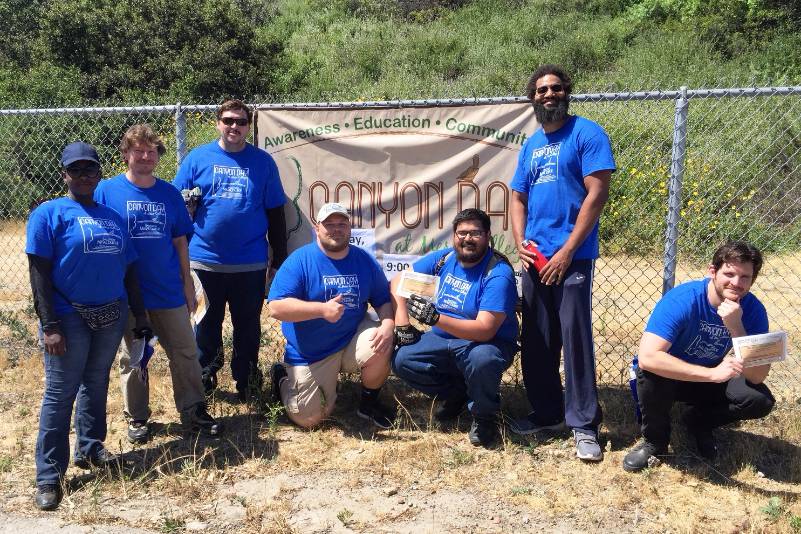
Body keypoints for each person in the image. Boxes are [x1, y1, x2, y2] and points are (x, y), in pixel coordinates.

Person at [26, 141, 148, 510]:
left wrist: (140, 315)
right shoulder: (49, 214)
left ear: (99, 174)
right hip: (68, 317)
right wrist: (50, 325)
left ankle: (90, 448)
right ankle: (49, 476)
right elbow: (39, 274)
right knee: (60, 393)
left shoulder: (112, 217)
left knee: (95, 383)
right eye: (75, 169)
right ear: (64, 174)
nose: (83, 176)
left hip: (111, 314)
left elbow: (130, 271)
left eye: (90, 169)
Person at [509, 64, 616, 461]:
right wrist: (520, 244)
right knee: (537, 339)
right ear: (533, 98)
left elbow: (597, 194)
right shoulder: (531, 145)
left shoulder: (587, 133)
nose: (549, 95)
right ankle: (547, 413)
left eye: (555, 88)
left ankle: (584, 424)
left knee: (575, 340)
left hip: (572, 259)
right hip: (535, 259)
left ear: (566, 92)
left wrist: (568, 250)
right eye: (541, 90)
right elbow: (517, 198)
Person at [95, 124, 222, 444]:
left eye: (151, 151)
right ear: (125, 154)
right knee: (135, 357)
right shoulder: (106, 191)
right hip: (128, 293)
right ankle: (137, 417)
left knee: (185, 352)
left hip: (167, 291)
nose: (145, 157)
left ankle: (193, 410)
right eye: (138, 150)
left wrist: (187, 284)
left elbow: (180, 242)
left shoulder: (168, 194)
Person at [623, 241, 775, 471]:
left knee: (760, 400)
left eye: (745, 277)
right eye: (729, 274)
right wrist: (712, 375)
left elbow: (757, 376)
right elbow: (648, 357)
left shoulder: (754, 310)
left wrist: (737, 329)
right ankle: (655, 442)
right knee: (651, 373)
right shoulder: (683, 300)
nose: (736, 283)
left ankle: (698, 421)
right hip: (670, 377)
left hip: (708, 376)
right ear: (712, 271)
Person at [173, 99, 288, 401]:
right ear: (218, 123)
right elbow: (177, 205)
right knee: (205, 324)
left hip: (249, 263)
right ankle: (205, 379)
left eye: (241, 121)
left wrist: (279, 259)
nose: (234, 126)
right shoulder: (197, 159)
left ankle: (247, 382)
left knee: (247, 327)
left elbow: (276, 213)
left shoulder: (262, 162)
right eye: (228, 120)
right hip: (204, 261)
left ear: (249, 126)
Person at [391, 209, 518, 448]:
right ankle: (457, 395)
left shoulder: (498, 273)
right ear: (454, 236)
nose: (467, 239)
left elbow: (485, 330)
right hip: (444, 338)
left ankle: (484, 416)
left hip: (485, 343)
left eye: (475, 233)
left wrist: (436, 319)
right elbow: (399, 280)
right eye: (462, 233)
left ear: (488, 236)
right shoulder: (445, 259)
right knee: (402, 359)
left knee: (482, 360)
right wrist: (402, 322)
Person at [267, 203, 396, 428]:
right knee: (308, 419)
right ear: (317, 228)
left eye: (342, 224)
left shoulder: (363, 259)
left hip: (351, 338)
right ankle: (282, 377)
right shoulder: (300, 260)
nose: (336, 229)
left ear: (349, 228)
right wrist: (321, 310)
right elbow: (276, 307)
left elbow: (383, 299)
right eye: (329, 224)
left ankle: (368, 405)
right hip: (312, 352)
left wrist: (388, 324)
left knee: (383, 339)